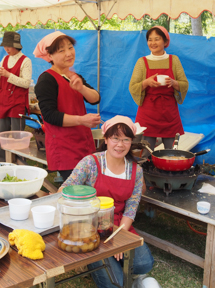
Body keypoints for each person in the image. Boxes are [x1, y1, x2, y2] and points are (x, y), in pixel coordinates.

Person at [59, 115, 155, 288]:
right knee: (115, 284)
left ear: (131, 142)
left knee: (144, 264)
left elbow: (131, 208)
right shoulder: (90, 163)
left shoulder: (135, 170)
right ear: (106, 139)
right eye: (115, 138)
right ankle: (96, 259)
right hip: (89, 226)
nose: (120, 144)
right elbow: (63, 192)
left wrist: (118, 239)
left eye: (126, 139)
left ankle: (110, 259)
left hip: (119, 225)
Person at [33, 31, 100, 181]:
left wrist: (81, 88)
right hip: (64, 149)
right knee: (79, 192)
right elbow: (50, 116)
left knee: (89, 188)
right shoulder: (46, 80)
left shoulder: (73, 76)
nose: (69, 53)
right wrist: (82, 120)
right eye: (61, 50)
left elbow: (95, 98)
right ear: (49, 56)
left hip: (83, 142)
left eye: (70, 47)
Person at [129, 26, 189, 155]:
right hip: (148, 111)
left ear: (165, 42)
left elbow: (184, 84)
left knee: (171, 152)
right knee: (146, 152)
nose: (153, 43)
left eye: (157, 39)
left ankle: (168, 173)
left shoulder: (174, 60)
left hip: (169, 112)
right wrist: (146, 82)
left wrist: (173, 83)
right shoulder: (142, 62)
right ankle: (145, 174)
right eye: (150, 39)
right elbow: (133, 86)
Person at [0, 31, 32, 161]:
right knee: (2, 133)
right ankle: (3, 160)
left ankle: (19, 160)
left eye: (9, 46)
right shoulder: (5, 59)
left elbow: (26, 83)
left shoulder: (26, 61)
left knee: (18, 135)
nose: (6, 49)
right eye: (5, 46)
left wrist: (7, 74)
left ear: (16, 45)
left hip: (17, 102)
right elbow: (0, 81)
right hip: (3, 100)